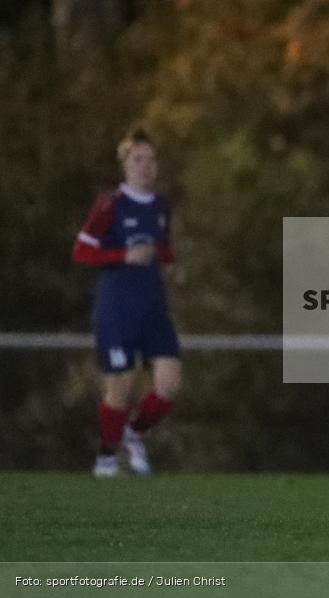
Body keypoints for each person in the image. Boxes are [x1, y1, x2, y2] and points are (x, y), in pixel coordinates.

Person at [72, 128, 181, 478]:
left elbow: (162, 248)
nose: (145, 166)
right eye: (138, 159)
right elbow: (82, 251)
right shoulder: (110, 205)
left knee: (169, 384)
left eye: (151, 160)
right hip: (117, 311)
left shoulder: (161, 207)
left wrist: (166, 258)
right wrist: (123, 256)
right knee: (119, 389)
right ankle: (106, 458)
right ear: (125, 164)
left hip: (153, 309)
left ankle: (134, 434)